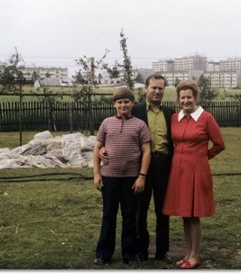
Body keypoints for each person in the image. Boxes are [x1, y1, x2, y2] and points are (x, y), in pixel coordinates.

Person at [99, 74, 175, 262]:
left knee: (163, 210)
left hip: (164, 164)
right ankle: (140, 249)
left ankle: (162, 251)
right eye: (153, 88)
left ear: (164, 90)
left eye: (160, 88)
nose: (157, 91)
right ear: (146, 89)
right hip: (141, 166)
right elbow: (117, 130)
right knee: (139, 209)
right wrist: (102, 147)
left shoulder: (171, 114)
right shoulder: (137, 110)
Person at [162, 80, 225, 269]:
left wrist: (203, 157)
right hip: (178, 171)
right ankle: (187, 253)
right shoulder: (175, 118)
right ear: (178, 99)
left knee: (194, 213)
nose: (186, 101)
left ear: (195, 98)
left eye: (189, 97)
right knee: (184, 213)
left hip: (197, 170)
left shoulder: (206, 118)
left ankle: (195, 255)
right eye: (183, 97)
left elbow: (219, 144)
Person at [92, 87, 151, 265]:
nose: (123, 105)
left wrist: (142, 176)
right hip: (109, 177)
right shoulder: (106, 123)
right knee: (108, 215)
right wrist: (96, 173)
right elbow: (97, 148)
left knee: (129, 216)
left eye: (126, 101)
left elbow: (147, 151)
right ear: (114, 104)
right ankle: (103, 254)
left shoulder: (140, 124)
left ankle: (129, 254)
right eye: (119, 102)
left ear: (132, 103)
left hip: (132, 178)